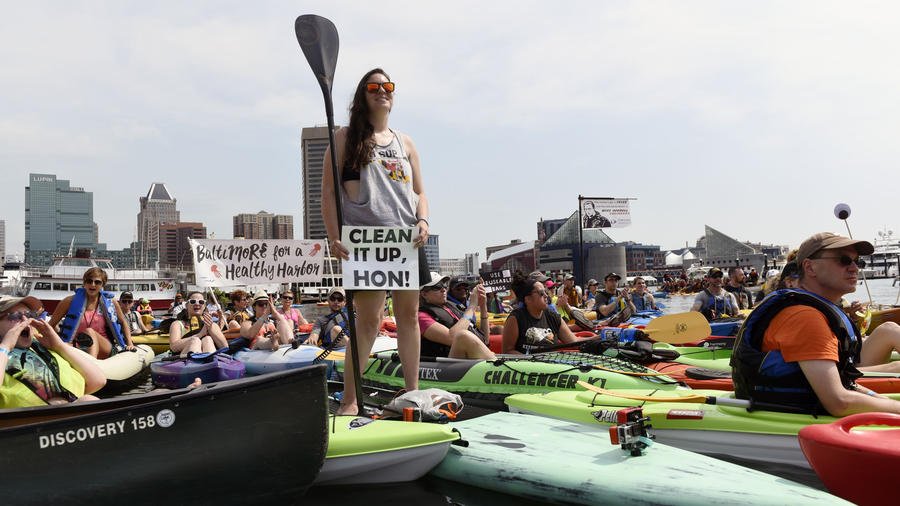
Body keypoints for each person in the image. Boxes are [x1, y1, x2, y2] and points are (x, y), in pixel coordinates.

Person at [321, 68, 429, 415]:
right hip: (366, 240)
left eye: (388, 86)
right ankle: (351, 400)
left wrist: (424, 219)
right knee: (366, 322)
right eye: (374, 87)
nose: (382, 91)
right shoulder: (344, 137)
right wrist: (334, 236)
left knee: (409, 317)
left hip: (405, 238)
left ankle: (412, 392)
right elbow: (327, 192)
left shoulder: (405, 141)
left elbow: (420, 192)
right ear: (362, 95)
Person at [731, 232, 900, 416]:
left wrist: (885, 402)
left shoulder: (813, 311)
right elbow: (839, 402)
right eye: (843, 260)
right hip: (794, 420)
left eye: (856, 261)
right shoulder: (806, 317)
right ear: (810, 268)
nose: (854, 268)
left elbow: (846, 385)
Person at [1, 295, 106, 408]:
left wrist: (59, 346)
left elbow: (98, 381)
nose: (25, 321)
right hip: (28, 422)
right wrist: (5, 347)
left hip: (68, 417)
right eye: (15, 316)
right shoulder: (2, 352)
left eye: (29, 315)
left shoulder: (42, 347)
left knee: (89, 400)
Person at [49, 267, 133, 359]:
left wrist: (129, 343)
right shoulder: (69, 301)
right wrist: (57, 342)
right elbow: (51, 325)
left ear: (102, 285)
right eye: (89, 281)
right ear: (84, 283)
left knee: (89, 332)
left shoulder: (111, 302)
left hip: (104, 347)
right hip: (75, 347)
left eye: (97, 282)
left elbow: (123, 322)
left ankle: (92, 364)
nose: (92, 285)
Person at [418, 272, 495, 360]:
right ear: (424, 294)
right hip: (447, 367)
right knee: (463, 336)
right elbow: (453, 338)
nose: (443, 289)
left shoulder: (453, 307)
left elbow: (486, 340)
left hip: (470, 361)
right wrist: (472, 307)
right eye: (437, 287)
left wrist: (483, 306)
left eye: (444, 286)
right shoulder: (421, 317)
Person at [502, 271, 579, 354]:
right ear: (528, 299)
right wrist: (531, 361)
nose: (546, 296)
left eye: (546, 291)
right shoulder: (515, 318)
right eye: (541, 293)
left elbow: (574, 342)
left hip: (552, 364)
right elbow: (508, 351)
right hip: (527, 365)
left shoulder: (553, 316)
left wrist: (594, 340)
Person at [168, 291, 228, 356]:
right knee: (195, 341)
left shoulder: (212, 324)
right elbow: (173, 347)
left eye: (201, 302)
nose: (197, 304)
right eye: (193, 301)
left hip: (208, 357)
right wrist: (200, 334)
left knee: (208, 339)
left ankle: (209, 362)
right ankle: (197, 362)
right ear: (186, 305)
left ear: (204, 306)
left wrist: (210, 329)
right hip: (183, 359)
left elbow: (224, 347)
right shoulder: (177, 324)